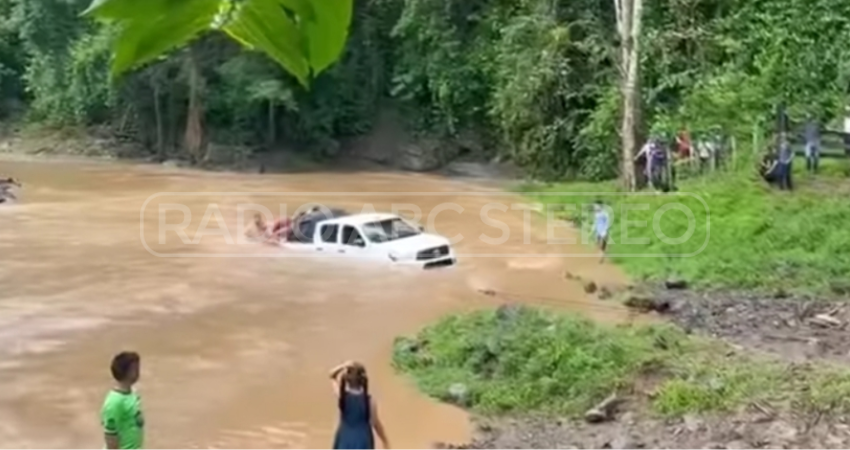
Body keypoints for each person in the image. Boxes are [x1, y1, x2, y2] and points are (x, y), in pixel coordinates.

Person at [330, 361, 389, 450]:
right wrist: (385, 440)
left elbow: (332, 375)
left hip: (344, 437)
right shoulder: (369, 400)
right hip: (363, 439)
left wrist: (344, 365)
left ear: (347, 380)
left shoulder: (342, 397)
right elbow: (376, 423)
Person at [101, 351, 144, 449]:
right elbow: (110, 438)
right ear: (128, 372)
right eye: (136, 369)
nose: (138, 372)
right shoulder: (114, 402)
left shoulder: (132, 393)